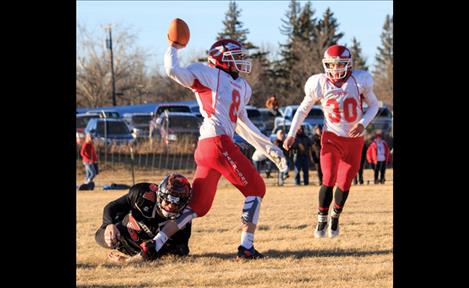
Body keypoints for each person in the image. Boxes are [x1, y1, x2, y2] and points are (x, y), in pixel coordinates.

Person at [146, 38, 288, 260]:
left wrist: (269, 148)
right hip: (217, 142)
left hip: (208, 146)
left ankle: (155, 243)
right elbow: (172, 70)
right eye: (236, 57)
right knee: (256, 188)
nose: (241, 61)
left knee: (197, 206)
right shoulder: (208, 74)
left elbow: (243, 125)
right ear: (221, 59)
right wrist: (173, 46)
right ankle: (246, 246)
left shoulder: (242, 86)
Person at [283, 44, 379, 238]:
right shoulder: (319, 83)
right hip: (331, 137)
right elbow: (303, 109)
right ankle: (321, 218)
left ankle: (335, 216)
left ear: (348, 64)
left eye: (340, 64)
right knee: (328, 178)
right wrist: (291, 133)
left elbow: (374, 105)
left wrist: (362, 123)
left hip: (354, 140)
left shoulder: (359, 81)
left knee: (344, 183)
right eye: (331, 65)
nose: (335, 69)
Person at [95, 173, 193, 262]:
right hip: (126, 233)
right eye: (167, 201)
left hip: (143, 248)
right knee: (101, 236)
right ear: (160, 195)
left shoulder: (182, 221)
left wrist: (127, 261)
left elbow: (157, 251)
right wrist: (109, 224)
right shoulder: (142, 194)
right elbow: (113, 206)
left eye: (177, 204)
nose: (171, 206)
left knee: (176, 251)